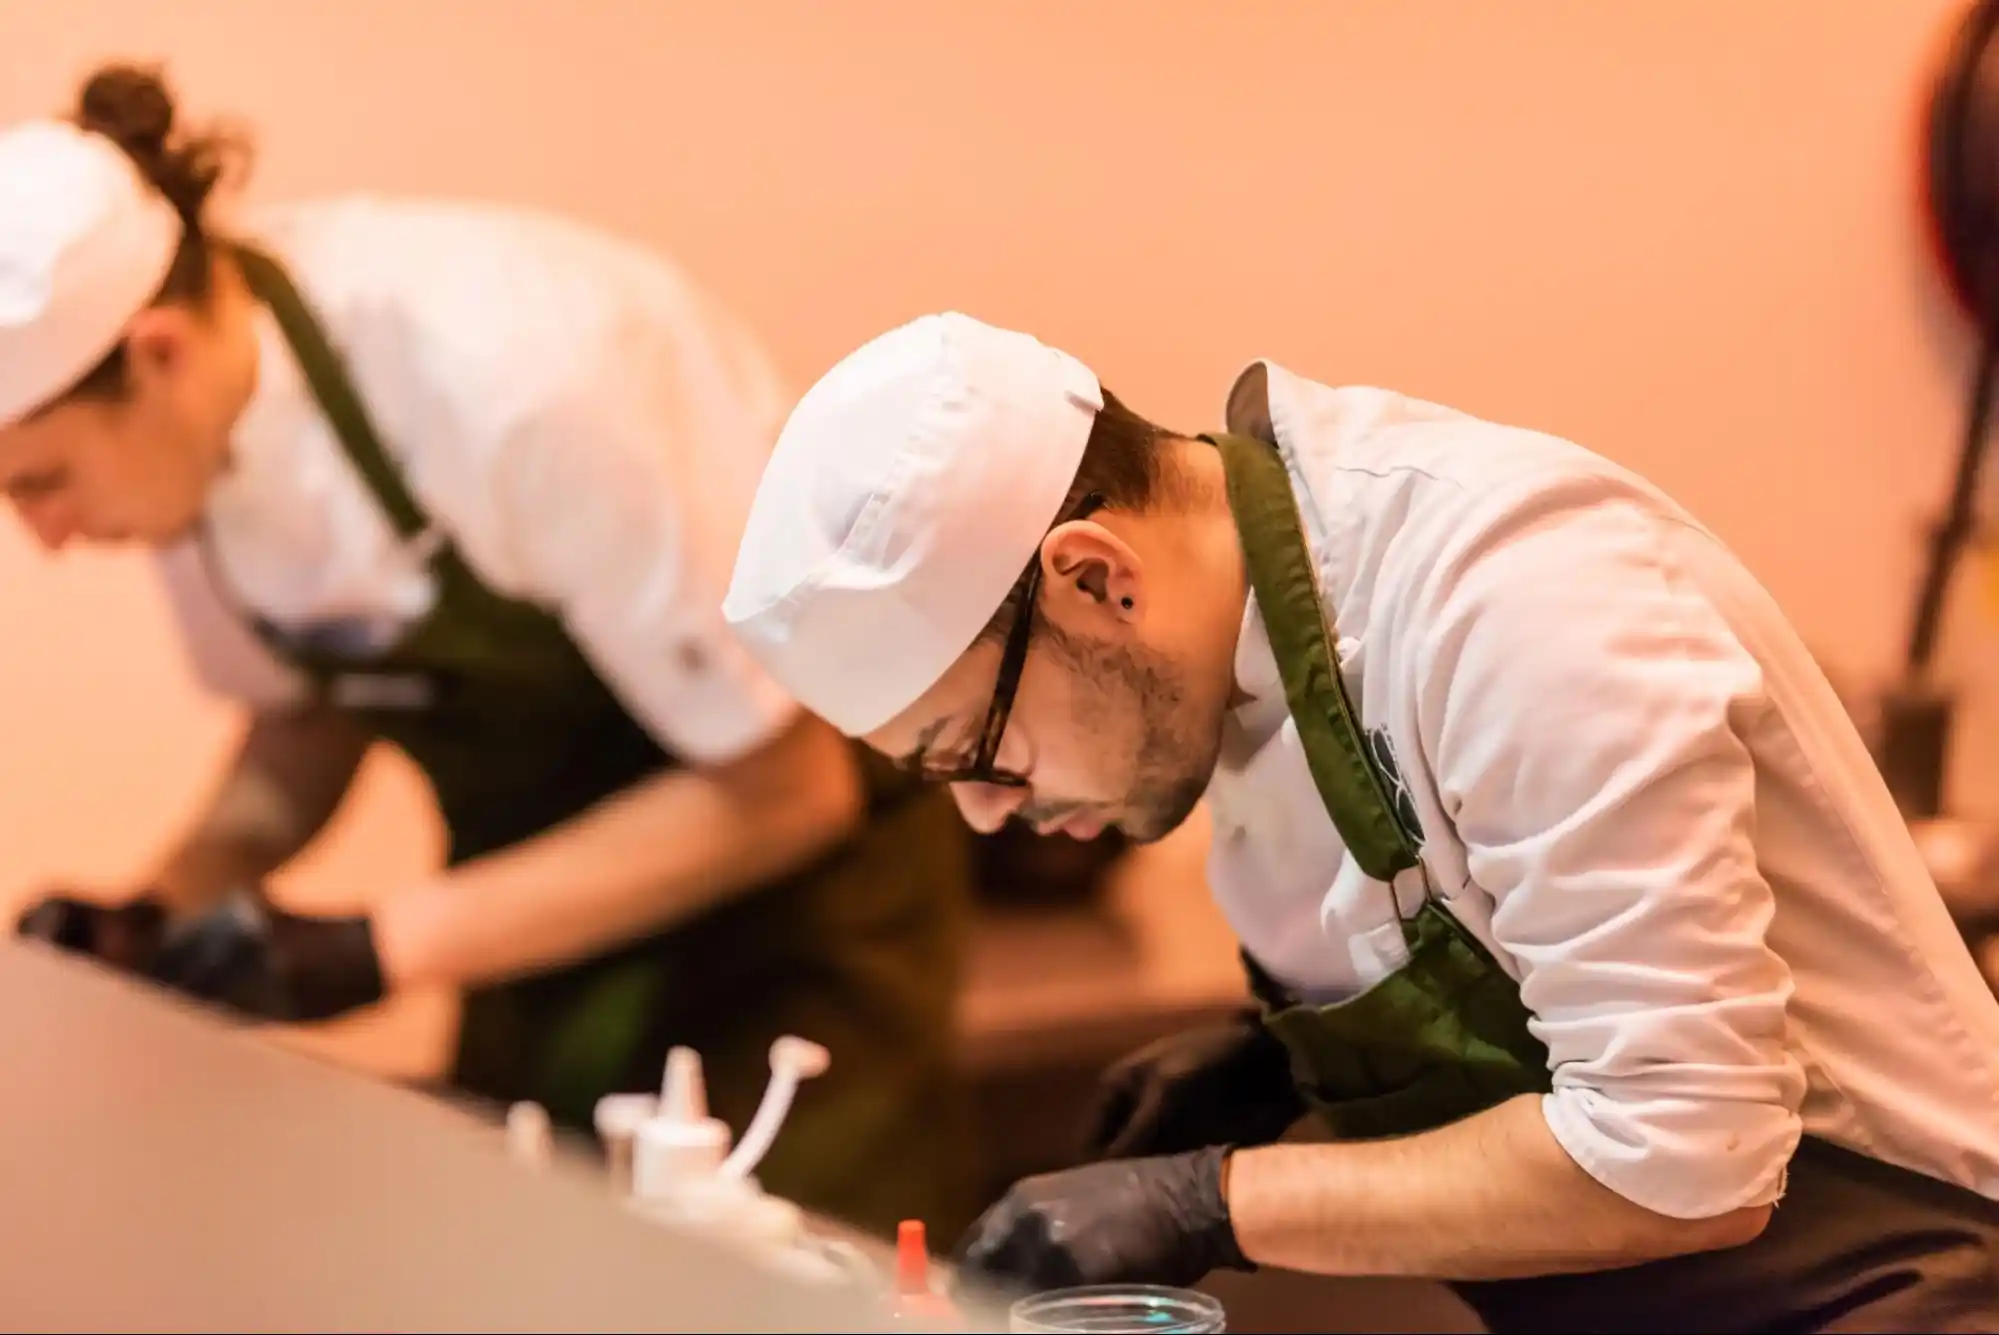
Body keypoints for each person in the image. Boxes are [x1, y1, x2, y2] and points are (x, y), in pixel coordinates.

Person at [720, 310, 1999, 1330]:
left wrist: (1214, 1200)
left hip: (1900, 1289)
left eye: (979, 754)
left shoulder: (1514, 605)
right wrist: (1276, 1078)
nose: (992, 817)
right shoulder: (1223, 660)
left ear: (1097, 579)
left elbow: (1686, 1153)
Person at [0, 65, 981, 1240]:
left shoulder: (525, 378)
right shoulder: (187, 444)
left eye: (40, 483)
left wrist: (375, 949)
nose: (45, 537)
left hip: (794, 940)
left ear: (155, 354)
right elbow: (311, 712)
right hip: (534, 919)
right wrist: (155, 914)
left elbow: (785, 790)